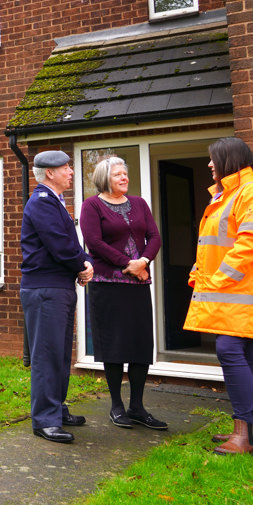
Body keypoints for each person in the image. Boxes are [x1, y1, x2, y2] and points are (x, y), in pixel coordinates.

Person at [79, 157, 166, 430]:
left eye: (125, 173)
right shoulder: (91, 205)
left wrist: (144, 262)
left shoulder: (139, 203)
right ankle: (116, 405)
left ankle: (137, 407)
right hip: (108, 285)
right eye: (118, 174)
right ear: (105, 179)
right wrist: (128, 263)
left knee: (140, 344)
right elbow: (94, 242)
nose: (124, 177)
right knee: (114, 345)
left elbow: (154, 236)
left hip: (138, 284)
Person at [185, 137, 253, 455]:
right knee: (246, 356)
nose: (209, 164)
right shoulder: (227, 194)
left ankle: (244, 433)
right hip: (232, 293)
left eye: (214, 159)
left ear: (229, 159)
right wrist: (198, 272)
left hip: (239, 293)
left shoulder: (248, 191)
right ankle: (247, 431)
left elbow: (248, 244)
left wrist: (218, 280)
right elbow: (211, 243)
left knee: (229, 350)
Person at [21, 150, 94, 443]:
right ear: (49, 173)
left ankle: (56, 408)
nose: (71, 171)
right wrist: (83, 264)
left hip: (57, 287)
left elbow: (68, 245)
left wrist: (84, 262)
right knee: (46, 356)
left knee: (61, 355)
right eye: (66, 167)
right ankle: (44, 420)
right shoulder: (41, 202)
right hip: (45, 289)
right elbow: (61, 245)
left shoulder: (54, 202)